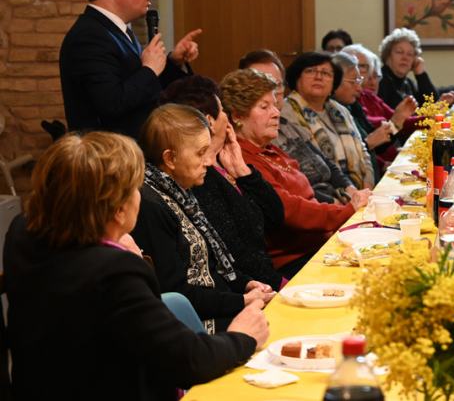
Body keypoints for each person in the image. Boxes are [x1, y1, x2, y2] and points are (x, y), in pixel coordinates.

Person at [5, 131, 268, 400]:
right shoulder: (114, 271)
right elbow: (187, 361)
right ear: (118, 209)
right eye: (136, 187)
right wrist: (242, 336)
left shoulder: (21, 235)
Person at [132, 104, 276, 333]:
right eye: (200, 153)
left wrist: (245, 283)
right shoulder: (150, 205)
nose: (209, 161)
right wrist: (241, 301)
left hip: (218, 306)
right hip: (194, 326)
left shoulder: (179, 188)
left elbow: (213, 264)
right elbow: (176, 294)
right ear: (170, 158)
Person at [220, 68, 367, 278]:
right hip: (294, 261)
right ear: (238, 116)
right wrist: (346, 210)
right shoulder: (242, 160)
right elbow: (291, 211)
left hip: (318, 245)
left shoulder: (269, 149)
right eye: (264, 107)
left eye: (274, 104)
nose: (276, 112)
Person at [159, 76, 286, 289]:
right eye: (222, 110)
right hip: (252, 286)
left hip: (260, 279)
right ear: (209, 121)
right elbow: (236, 253)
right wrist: (279, 284)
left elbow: (274, 218)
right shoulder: (199, 179)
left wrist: (244, 173)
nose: (226, 116)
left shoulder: (221, 164)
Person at [59, 0, 202, 137]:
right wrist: (149, 70)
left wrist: (172, 62)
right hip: (111, 156)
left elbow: (143, 87)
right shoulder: (89, 37)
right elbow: (112, 103)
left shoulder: (117, 30)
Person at [240, 50, 361, 204]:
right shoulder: (253, 140)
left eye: (276, 85)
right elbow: (294, 196)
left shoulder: (285, 124)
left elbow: (325, 162)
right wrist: (339, 205)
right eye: (260, 85)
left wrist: (350, 189)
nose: (271, 93)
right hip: (323, 207)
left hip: (333, 200)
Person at [280, 52, 375, 189]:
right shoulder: (286, 112)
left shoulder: (341, 111)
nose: (318, 77)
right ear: (297, 78)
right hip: (323, 195)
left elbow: (363, 152)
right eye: (310, 71)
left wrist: (368, 185)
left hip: (361, 193)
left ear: (334, 84)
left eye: (326, 73)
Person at [331, 51, 397, 176]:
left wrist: (392, 128)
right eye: (353, 82)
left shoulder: (352, 106)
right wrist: (369, 142)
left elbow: (377, 147)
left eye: (359, 81)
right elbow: (337, 164)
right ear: (335, 81)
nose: (359, 88)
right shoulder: (331, 111)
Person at [378, 27, 454, 108]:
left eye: (410, 54)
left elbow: (431, 105)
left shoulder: (408, 83)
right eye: (399, 52)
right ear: (387, 55)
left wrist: (420, 74)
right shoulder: (379, 81)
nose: (405, 58)